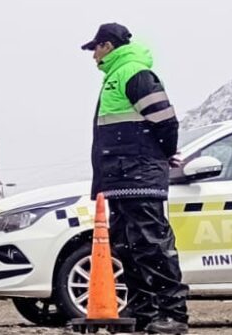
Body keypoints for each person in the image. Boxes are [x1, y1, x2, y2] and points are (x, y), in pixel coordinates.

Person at [81, 23, 189, 334]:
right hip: (120, 177)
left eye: (95, 49)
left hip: (139, 174)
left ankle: (173, 313)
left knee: (152, 244)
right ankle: (144, 311)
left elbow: (165, 121)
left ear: (108, 46)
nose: (94, 57)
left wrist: (163, 155)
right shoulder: (118, 76)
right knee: (128, 246)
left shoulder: (134, 73)